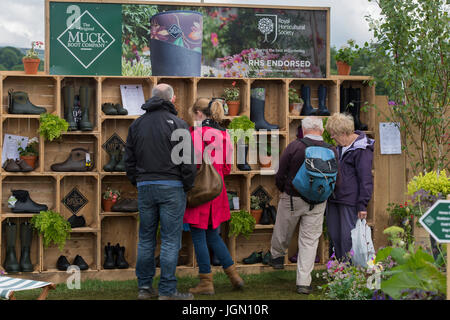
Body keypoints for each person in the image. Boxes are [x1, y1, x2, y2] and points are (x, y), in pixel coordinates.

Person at [124, 83, 197, 300]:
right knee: (170, 240)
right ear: (172, 100)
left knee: (145, 239)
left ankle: (144, 289)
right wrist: (187, 185)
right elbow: (188, 163)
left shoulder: (137, 125)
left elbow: (128, 160)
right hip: (172, 187)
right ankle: (167, 291)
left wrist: (137, 181)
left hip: (146, 186)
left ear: (152, 98)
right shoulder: (178, 124)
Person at [270, 116, 339, 295]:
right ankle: (303, 283)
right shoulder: (331, 149)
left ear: (303, 129)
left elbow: (280, 173)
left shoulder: (295, 146)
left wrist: (284, 189)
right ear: (322, 131)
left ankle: (277, 257)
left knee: (283, 229)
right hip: (318, 201)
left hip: (293, 198)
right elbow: (335, 178)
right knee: (309, 241)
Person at [184, 98, 244, 295]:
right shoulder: (224, 135)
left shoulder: (195, 134)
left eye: (193, 115)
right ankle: (234, 276)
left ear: (199, 114)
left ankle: (206, 282)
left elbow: (189, 165)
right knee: (213, 235)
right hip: (217, 191)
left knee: (199, 236)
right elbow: (227, 169)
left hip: (199, 190)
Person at [325, 113, 374, 261]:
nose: (332, 138)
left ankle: (350, 274)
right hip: (334, 199)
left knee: (348, 238)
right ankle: (338, 270)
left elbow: (365, 179)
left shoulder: (361, 149)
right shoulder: (340, 147)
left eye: (334, 135)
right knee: (334, 236)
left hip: (349, 201)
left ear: (344, 133)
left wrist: (362, 205)